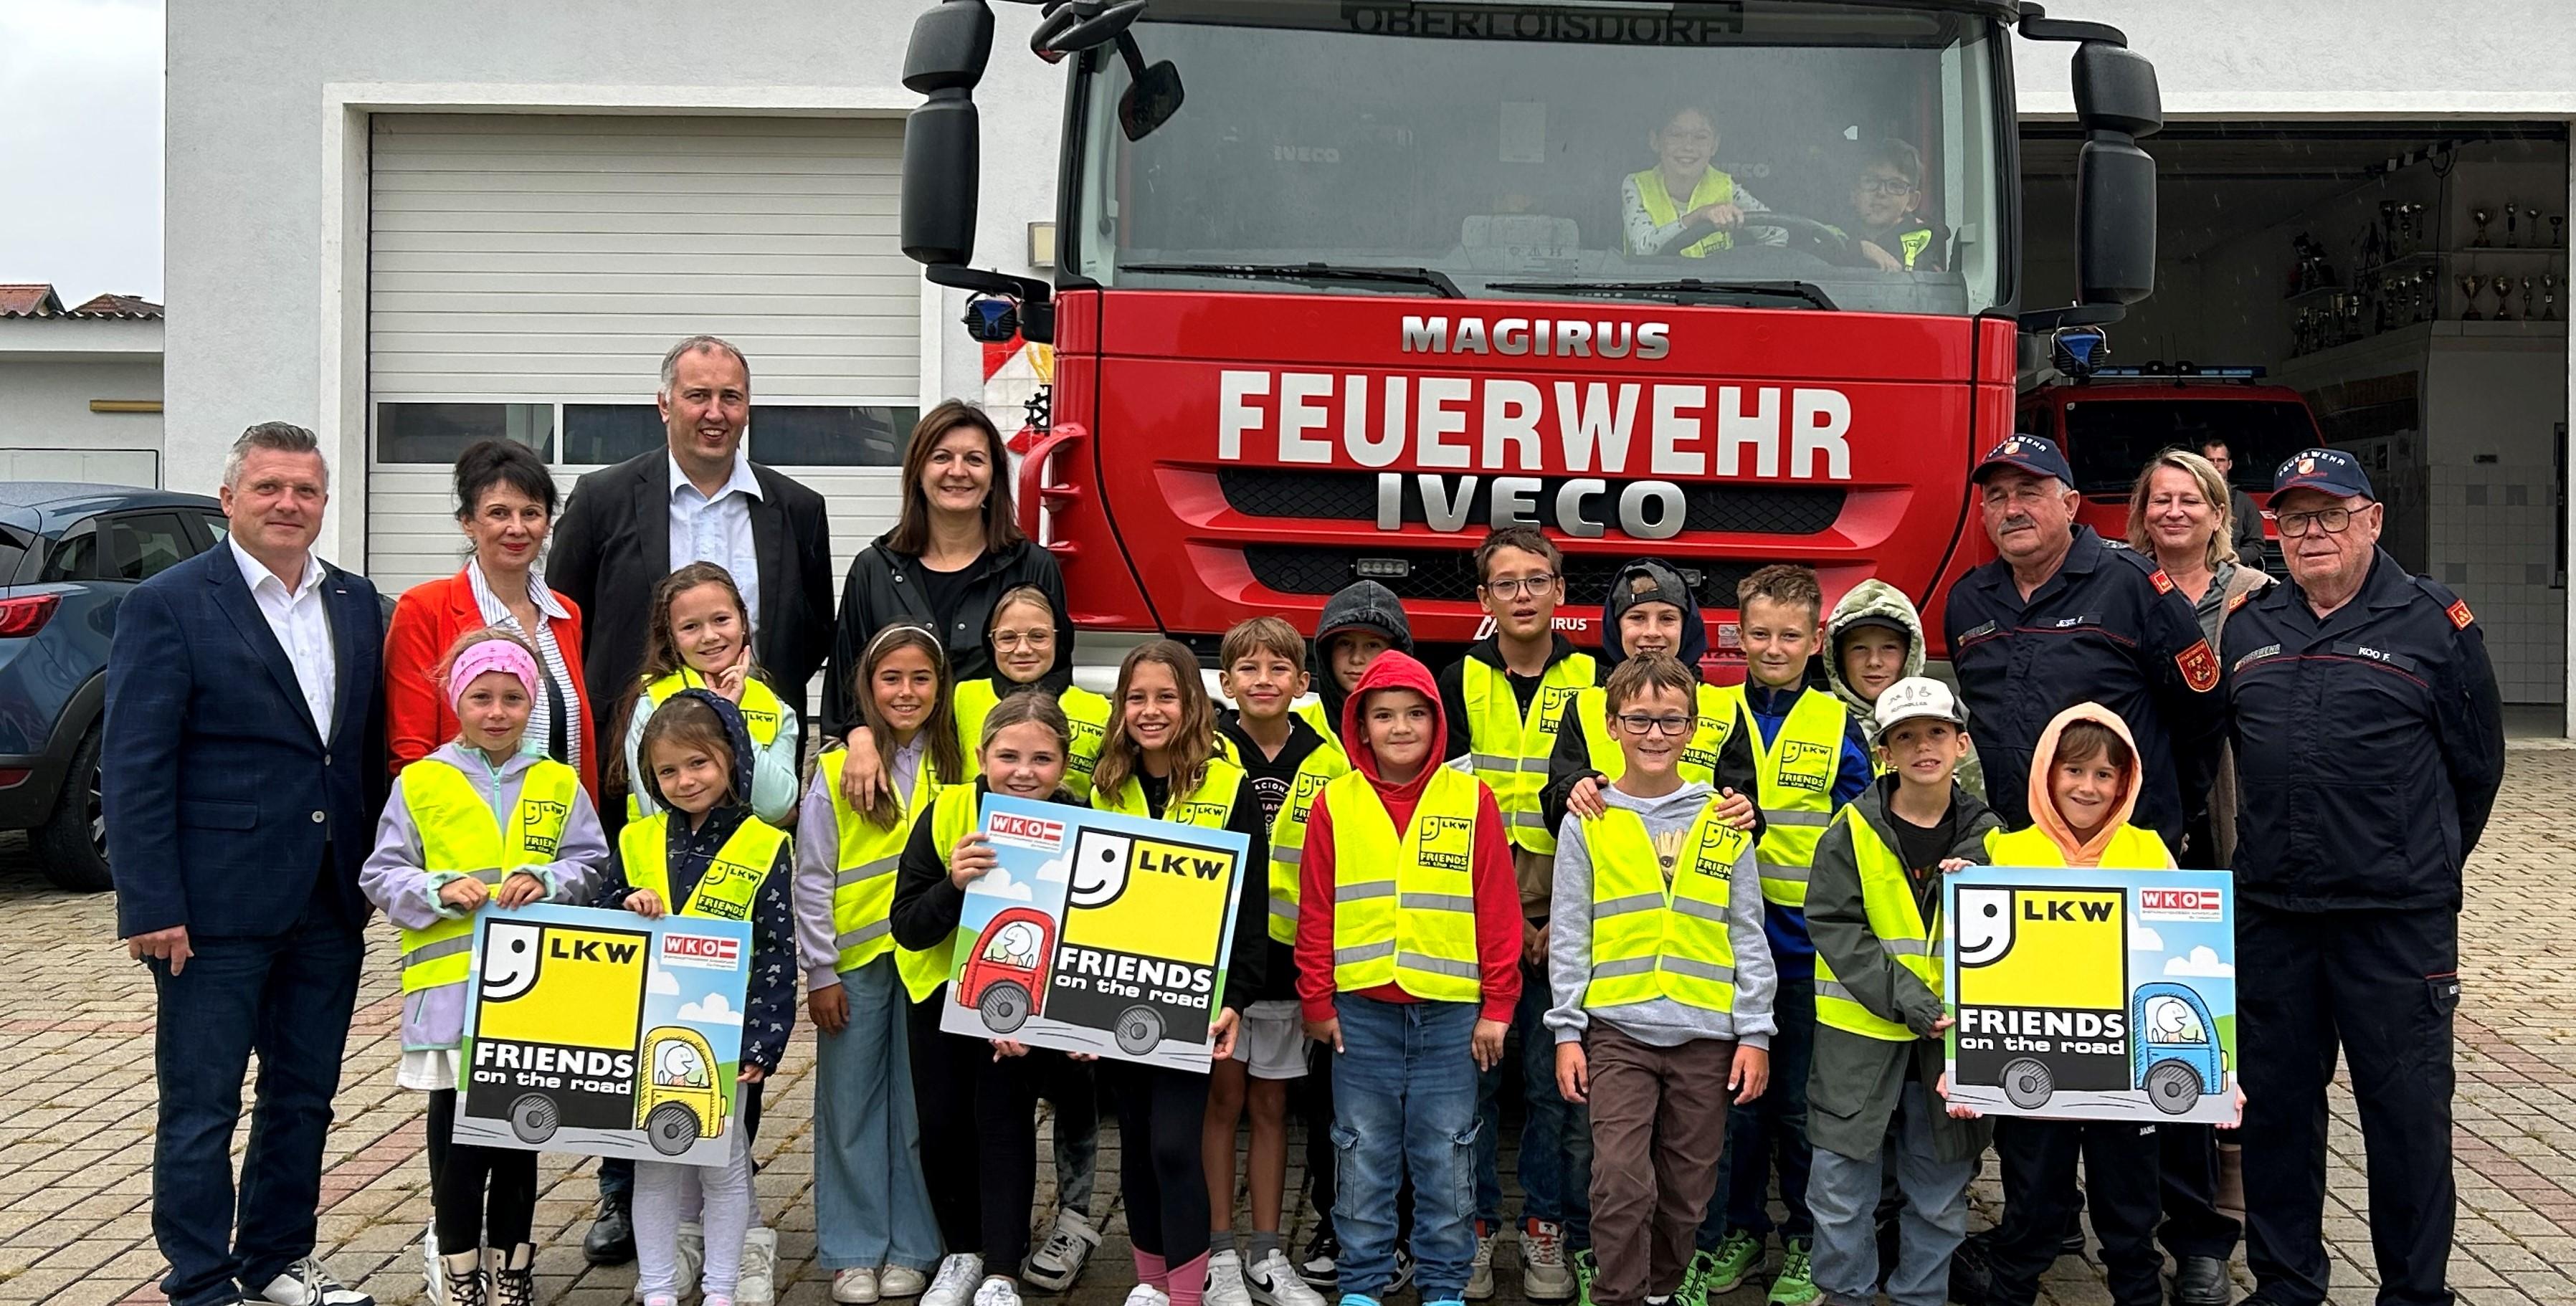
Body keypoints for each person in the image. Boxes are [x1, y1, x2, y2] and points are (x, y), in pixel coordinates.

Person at [106, 421, 388, 1306]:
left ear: (325, 501)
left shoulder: (356, 601)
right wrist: (149, 901)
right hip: (211, 906)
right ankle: (199, 1277)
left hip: (327, 898)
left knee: (304, 1095)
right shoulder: (170, 603)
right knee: (202, 1105)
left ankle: (275, 1257)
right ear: (229, 498)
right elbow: (135, 762)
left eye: (305, 490)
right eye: (268, 487)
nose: (287, 504)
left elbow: (357, 750)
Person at [2221, 448, 2503, 1306]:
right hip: (2272, 916)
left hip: (2393, 924)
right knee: (2275, 1113)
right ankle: (2284, 1285)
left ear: (2371, 521)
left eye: (2330, 514)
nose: (2310, 532)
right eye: (2292, 517)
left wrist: (2412, 859)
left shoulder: (2432, 623)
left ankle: (2413, 1294)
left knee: (2405, 1117)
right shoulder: (2249, 625)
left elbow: (2476, 769)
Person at [360, 629, 607, 1306]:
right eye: (482, 697)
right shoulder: (421, 782)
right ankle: (458, 1269)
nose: (497, 712)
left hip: (531, 998)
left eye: (512, 698)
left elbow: (591, 864)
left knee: (522, 1135)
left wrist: (547, 879)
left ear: (532, 704)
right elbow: (382, 873)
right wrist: (436, 888)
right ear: (455, 700)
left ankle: (512, 1269)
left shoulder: (558, 782)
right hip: (450, 999)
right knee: (457, 1143)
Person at [1546, 653, 1774, 1306]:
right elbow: (1570, 933)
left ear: (1693, 729)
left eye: (1671, 721)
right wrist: (1566, 1033)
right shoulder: (1588, 819)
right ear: (1612, 726)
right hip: (1617, 1031)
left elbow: (1746, 931)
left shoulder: (1724, 819)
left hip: (1707, 1035)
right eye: (1639, 719)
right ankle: (1617, 1293)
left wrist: (1754, 1034)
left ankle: (1663, 1290)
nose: (1654, 734)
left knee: (1688, 1191)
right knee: (1619, 1180)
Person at [1296, 651, 1522, 1306]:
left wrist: (1498, 1006)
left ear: (1437, 723)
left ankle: (1444, 1287)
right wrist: (1316, 1000)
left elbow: (1496, 909)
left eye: (1416, 714)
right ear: (1360, 727)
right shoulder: (1336, 803)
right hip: (1359, 1017)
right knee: (1360, 1156)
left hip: (1450, 1020)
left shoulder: (1470, 799)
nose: (1400, 727)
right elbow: (1316, 910)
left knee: (1448, 1157)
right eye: (1384, 715)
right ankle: (1362, 1287)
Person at [1965, 704, 2186, 1306]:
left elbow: (2184, 964)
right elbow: (1977, 975)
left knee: (2130, 1216)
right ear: (2046, 772)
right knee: (2031, 1209)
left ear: (2125, 781)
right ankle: (2010, 1293)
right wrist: (1963, 1068)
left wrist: (2223, 1073)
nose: (2087, 787)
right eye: (2073, 770)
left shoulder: (2149, 852)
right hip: (2035, 1073)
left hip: (2127, 1078)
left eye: (2104, 774)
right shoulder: (2004, 852)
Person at [1697, 565, 1873, 1306]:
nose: (1773, 648)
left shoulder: (1837, 723)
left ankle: (1804, 1240)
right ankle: (1740, 1231)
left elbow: (1864, 830)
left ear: (1815, 640)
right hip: (1722, 944)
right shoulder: (1706, 710)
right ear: (1737, 635)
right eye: (1760, 633)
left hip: (1808, 949)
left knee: (1801, 1107)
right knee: (1734, 1105)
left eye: (1789, 636)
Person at [548, 333, 834, 789]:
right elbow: (564, 626)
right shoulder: (601, 501)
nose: (715, 413)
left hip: (759, 760)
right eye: (698, 396)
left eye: (730, 398)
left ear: (747, 408)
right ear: (664, 405)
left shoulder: (798, 509)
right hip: (634, 762)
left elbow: (813, 633)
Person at [1800, 677, 1997, 1306]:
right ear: (1884, 752)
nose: (1922, 747)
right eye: (1905, 737)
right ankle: (1847, 1297)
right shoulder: (1850, 828)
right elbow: (1834, 923)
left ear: (1960, 743)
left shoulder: (1995, 840)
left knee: (1938, 1198)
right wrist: (1907, 999)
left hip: (1952, 1050)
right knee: (1839, 1194)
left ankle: (1921, 1297)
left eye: (1936, 732)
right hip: (1859, 1043)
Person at [1085, 642, 1270, 1306]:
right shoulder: (1102, 788)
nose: (1151, 710)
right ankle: (1151, 1285)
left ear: (1193, 703)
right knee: (1135, 1145)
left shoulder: (1228, 786)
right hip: (1113, 998)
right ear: (1120, 707)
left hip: (1193, 1001)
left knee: (1172, 1146)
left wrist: (1237, 998)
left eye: (1166, 697)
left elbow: (1251, 906)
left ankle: (1187, 1294)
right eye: (1136, 698)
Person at [1437, 527, 1594, 1302]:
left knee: (1551, 1089)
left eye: (1537, 579)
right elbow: (1443, 810)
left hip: (1567, 919)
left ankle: (1543, 1227)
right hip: (1477, 919)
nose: (1523, 594)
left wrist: (1555, 920)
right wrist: (1505, 923)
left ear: (1560, 591)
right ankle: (1472, 1229)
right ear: (1483, 599)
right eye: (1506, 583)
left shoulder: (1598, 680)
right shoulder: (1455, 680)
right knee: (1471, 1091)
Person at [891, 693, 1089, 1306]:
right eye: (1008, 757)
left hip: (1025, 1010)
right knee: (942, 1126)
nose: (1023, 772)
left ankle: (1002, 1268)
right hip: (939, 996)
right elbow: (908, 926)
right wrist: (953, 885)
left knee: (1004, 1124)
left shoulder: (1081, 821)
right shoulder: (948, 811)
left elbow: (1090, 936)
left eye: (1042, 759)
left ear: (1063, 765)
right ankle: (961, 1254)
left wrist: (1064, 1020)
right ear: (981, 756)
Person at [600, 691, 797, 1306]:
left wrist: (762, 1043)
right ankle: (659, 1288)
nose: (685, 781)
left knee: (724, 1167)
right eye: (667, 770)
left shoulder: (765, 843)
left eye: (698, 763)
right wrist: (624, 904)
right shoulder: (635, 839)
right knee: (654, 1167)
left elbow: (776, 952)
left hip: (725, 1038)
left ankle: (721, 1290)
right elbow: (598, 923)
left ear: (731, 759)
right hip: (645, 1034)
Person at [1939, 432, 2227, 849]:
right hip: (2010, 847)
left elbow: (2202, 712)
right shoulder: (1968, 601)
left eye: (2029, 492)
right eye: (1997, 497)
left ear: (2070, 504)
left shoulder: (2133, 585)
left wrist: (2173, 811)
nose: (2012, 510)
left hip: (2120, 851)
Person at [795, 626, 963, 1305]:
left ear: (941, 687)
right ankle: (853, 1250)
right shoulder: (839, 768)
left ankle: (918, 1245)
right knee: (850, 1106)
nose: (906, 692)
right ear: (866, 688)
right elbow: (812, 875)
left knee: (921, 1105)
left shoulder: (958, 764)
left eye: (921, 678)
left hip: (934, 960)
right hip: (856, 963)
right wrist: (820, 971)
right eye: (890, 678)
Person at [1283, 578, 1416, 1292]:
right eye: (1346, 648)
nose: (1359, 661)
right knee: (1332, 1112)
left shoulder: (1423, 733)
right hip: (1323, 959)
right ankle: (1334, 1222)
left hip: (1407, 965)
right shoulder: (1305, 736)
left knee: (1405, 1115)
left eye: (1375, 646)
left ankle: (1399, 1232)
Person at [826, 401, 1072, 783]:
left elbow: (1054, 679)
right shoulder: (874, 568)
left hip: (1001, 779)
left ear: (994, 475)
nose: (958, 472)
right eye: (941, 457)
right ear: (918, 471)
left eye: (974, 459)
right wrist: (859, 740)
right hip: (895, 773)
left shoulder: (1032, 567)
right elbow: (846, 681)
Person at [1209, 617, 1334, 1306]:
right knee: (1221, 1100)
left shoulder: (1328, 758)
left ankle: (1266, 1251)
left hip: (1290, 959)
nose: (1264, 680)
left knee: (1270, 1103)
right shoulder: (1205, 750)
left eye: (1278, 668)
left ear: (1302, 682)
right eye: (1248, 669)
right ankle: (1218, 1253)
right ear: (1225, 683)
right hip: (1222, 961)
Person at [387, 439, 597, 796]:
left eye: (531, 513)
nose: (517, 528)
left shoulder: (564, 615)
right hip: (465, 819)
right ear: (467, 522)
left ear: (548, 523)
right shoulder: (424, 610)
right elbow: (411, 752)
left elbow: (576, 741)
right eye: (499, 513)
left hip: (560, 819)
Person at [612, 563, 801, 826]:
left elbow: (776, 806)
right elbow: (655, 809)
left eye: (721, 620)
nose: (710, 636)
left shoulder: (776, 708)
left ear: (743, 621)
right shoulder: (652, 703)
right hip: (670, 850)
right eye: (690, 627)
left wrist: (730, 717)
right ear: (671, 636)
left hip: (751, 852)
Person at [1822, 578, 1985, 799]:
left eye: (1889, 648)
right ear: (1838, 657)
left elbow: (1973, 805)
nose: (1874, 661)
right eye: (1859, 648)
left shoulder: (1942, 721)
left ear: (1911, 654)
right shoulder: (1820, 720)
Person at [1622, 105, 1787, 258]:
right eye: (1676, 135)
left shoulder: (1727, 188)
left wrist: (1748, 273)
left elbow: (1778, 233)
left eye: (1700, 137)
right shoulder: (1636, 186)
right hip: (1652, 281)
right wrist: (1697, 217)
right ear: (1655, 141)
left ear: (1714, 145)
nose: (1688, 146)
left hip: (1716, 281)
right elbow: (1642, 250)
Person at [1801, 140, 1948, 272]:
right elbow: (1805, 259)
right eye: (1871, 181)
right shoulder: (1830, 232)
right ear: (1853, 193)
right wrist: (1860, 249)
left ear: (1912, 202)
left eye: (1895, 185)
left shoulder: (1923, 242)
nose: (1881, 192)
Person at [2195, 437, 2268, 573]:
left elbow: (2256, 545)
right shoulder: (2189, 499)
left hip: (2231, 575)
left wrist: (2235, 556)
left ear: (2229, 464)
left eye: (2221, 460)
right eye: (2210, 460)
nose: (2215, 465)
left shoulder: (2244, 503)